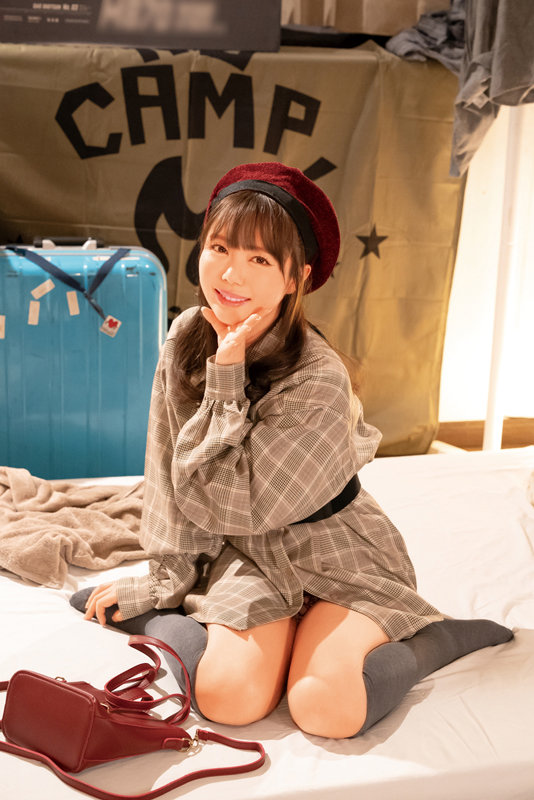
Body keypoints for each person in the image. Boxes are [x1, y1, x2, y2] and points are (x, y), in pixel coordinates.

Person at [71, 162, 512, 739]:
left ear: (296, 276)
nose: (231, 273)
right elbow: (168, 472)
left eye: (260, 259)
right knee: (227, 699)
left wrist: (226, 378)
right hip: (249, 555)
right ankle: (166, 620)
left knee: (326, 708)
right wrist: (162, 584)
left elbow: (233, 503)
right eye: (220, 247)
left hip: (337, 555)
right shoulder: (186, 336)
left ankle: (435, 638)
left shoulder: (319, 379)